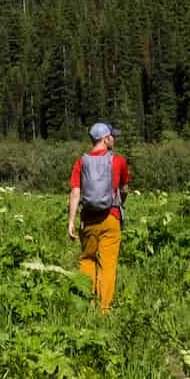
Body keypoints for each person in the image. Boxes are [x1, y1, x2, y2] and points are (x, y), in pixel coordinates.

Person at [67, 122, 130, 311]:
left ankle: (87, 303)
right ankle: (104, 309)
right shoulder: (118, 161)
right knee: (108, 265)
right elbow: (125, 189)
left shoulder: (81, 162)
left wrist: (71, 220)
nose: (114, 139)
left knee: (87, 260)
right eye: (112, 136)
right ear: (105, 138)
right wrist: (121, 201)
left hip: (88, 219)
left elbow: (75, 192)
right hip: (111, 217)